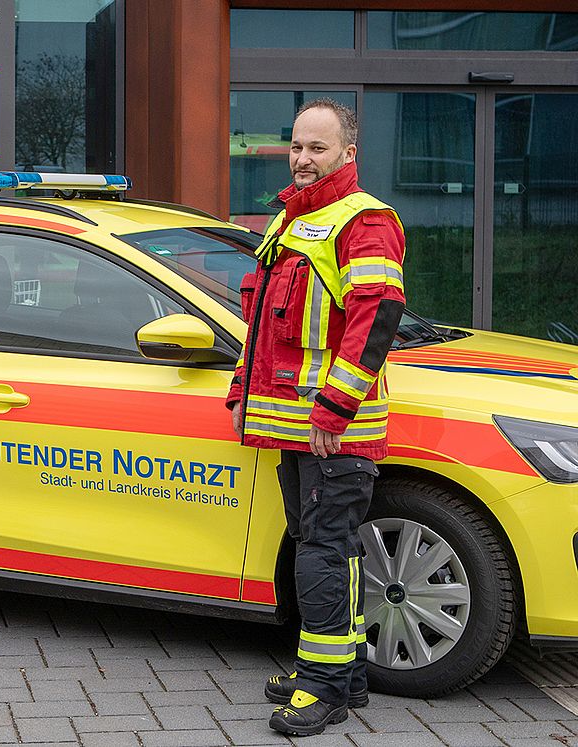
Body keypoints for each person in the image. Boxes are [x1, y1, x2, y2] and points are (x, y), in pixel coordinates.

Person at [225, 99, 405, 737]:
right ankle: (344, 674)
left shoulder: (366, 222)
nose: (303, 160)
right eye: (297, 147)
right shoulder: (290, 219)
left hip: (333, 429)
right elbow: (264, 324)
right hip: (288, 425)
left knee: (322, 553)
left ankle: (323, 686)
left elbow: (375, 318)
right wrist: (242, 389)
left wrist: (334, 405)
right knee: (327, 548)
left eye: (317, 149)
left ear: (347, 155)